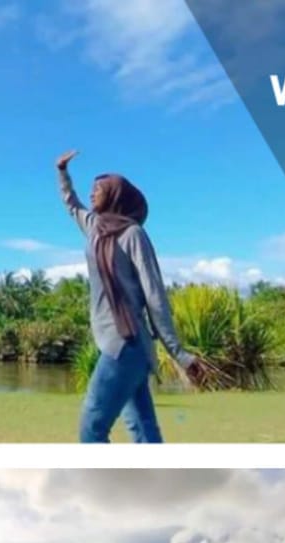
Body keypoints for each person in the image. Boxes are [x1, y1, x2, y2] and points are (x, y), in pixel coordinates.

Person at [55, 150, 199, 443]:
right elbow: (71, 205)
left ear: (115, 196)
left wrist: (179, 354)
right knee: (144, 432)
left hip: (125, 344)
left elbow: (155, 296)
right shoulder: (95, 228)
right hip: (118, 345)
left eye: (100, 188)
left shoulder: (133, 235)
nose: (93, 192)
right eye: (92, 188)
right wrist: (62, 173)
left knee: (91, 429)